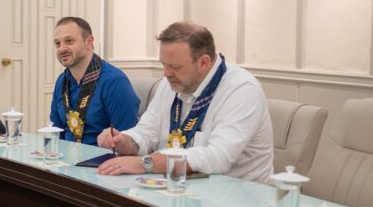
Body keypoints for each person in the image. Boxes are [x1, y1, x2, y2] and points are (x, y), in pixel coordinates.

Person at [96, 22, 274, 182]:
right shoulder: (172, 82)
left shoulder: (242, 89)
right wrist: (126, 141)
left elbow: (218, 158)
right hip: (180, 186)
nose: (166, 73)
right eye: (164, 64)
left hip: (237, 194)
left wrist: (146, 163)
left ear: (204, 62)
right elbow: (147, 132)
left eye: (175, 67)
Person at [50, 16, 140, 145]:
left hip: (102, 157)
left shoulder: (115, 82)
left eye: (69, 41)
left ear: (89, 41)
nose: (62, 49)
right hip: (65, 156)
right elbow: (55, 132)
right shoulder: (62, 81)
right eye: (57, 43)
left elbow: (126, 140)